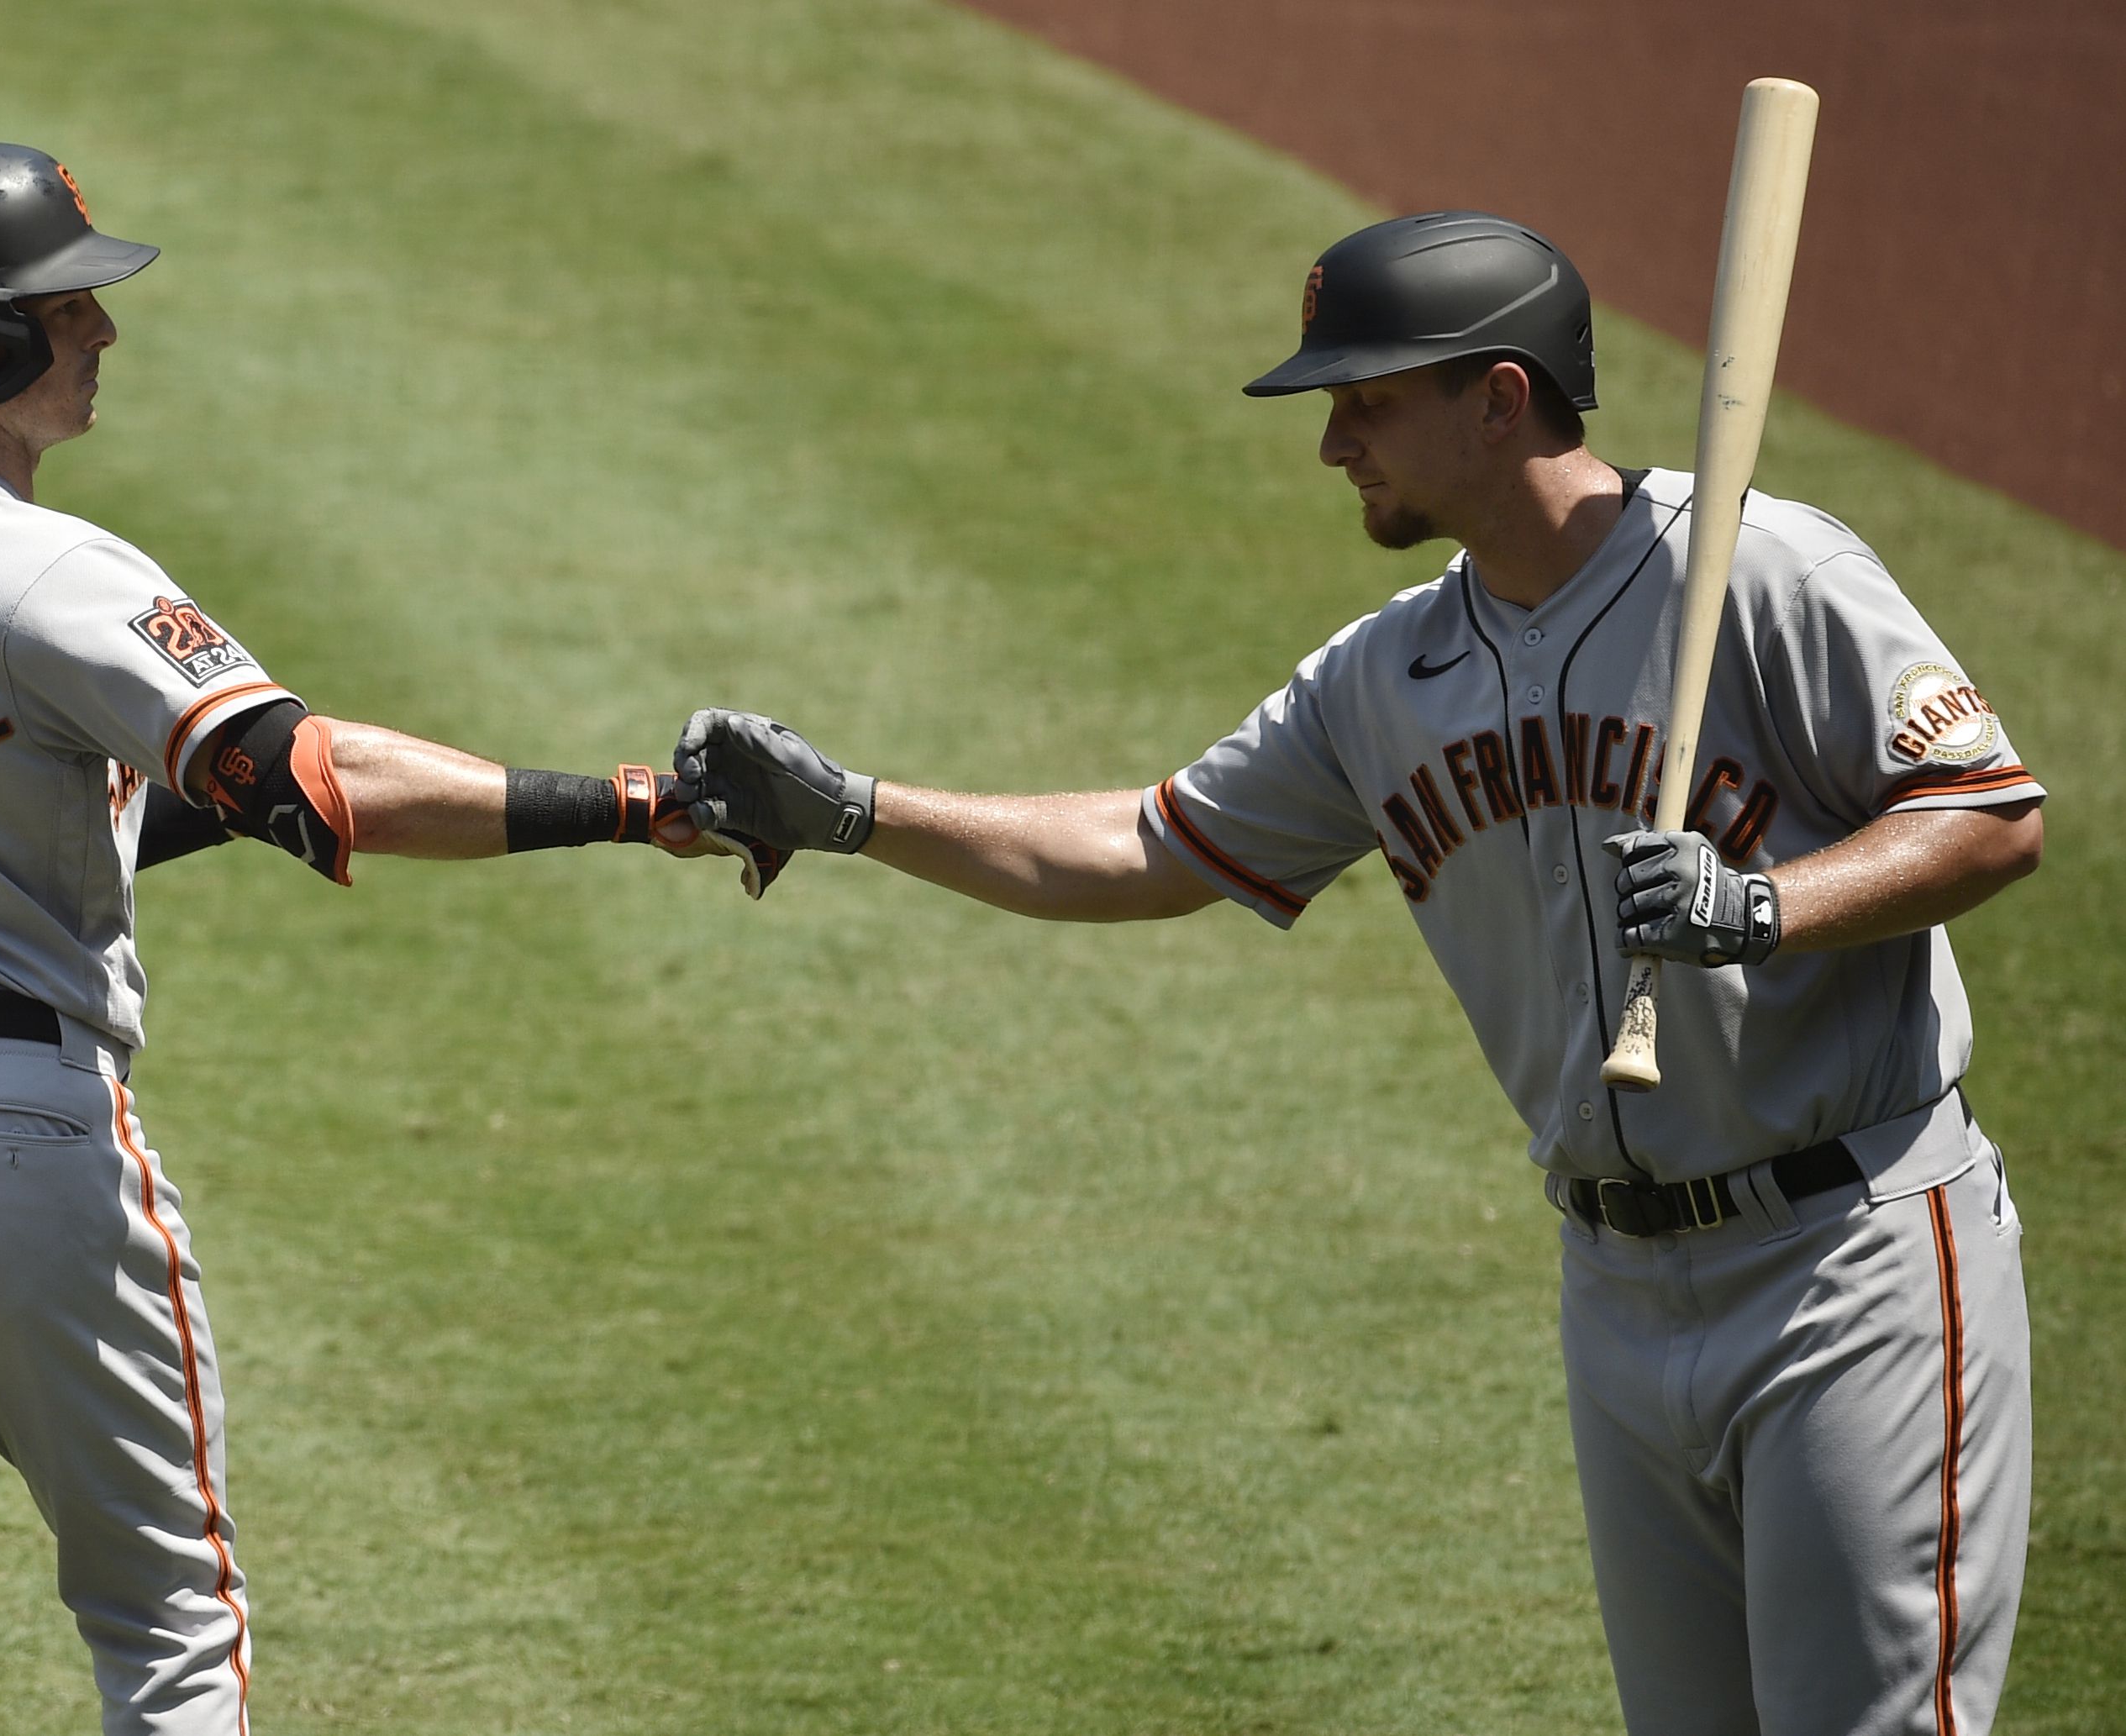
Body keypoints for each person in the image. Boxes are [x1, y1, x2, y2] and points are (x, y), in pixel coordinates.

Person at [673, 211, 2043, 1736]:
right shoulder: (1386, 677)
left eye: (1366, 399)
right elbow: (1149, 844)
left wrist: (1762, 907)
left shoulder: (1768, 573)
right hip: (1616, 1285)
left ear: (1499, 400)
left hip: (1846, 1260)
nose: (1334, 444)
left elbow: (1989, 815)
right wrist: (861, 813)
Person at [0, 141, 775, 1736]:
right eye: (62, 308)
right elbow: (307, 778)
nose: (100, 335)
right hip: (5, 1131)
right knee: (172, 1627)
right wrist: (624, 799)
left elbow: (50, 808)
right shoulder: (42, 562)